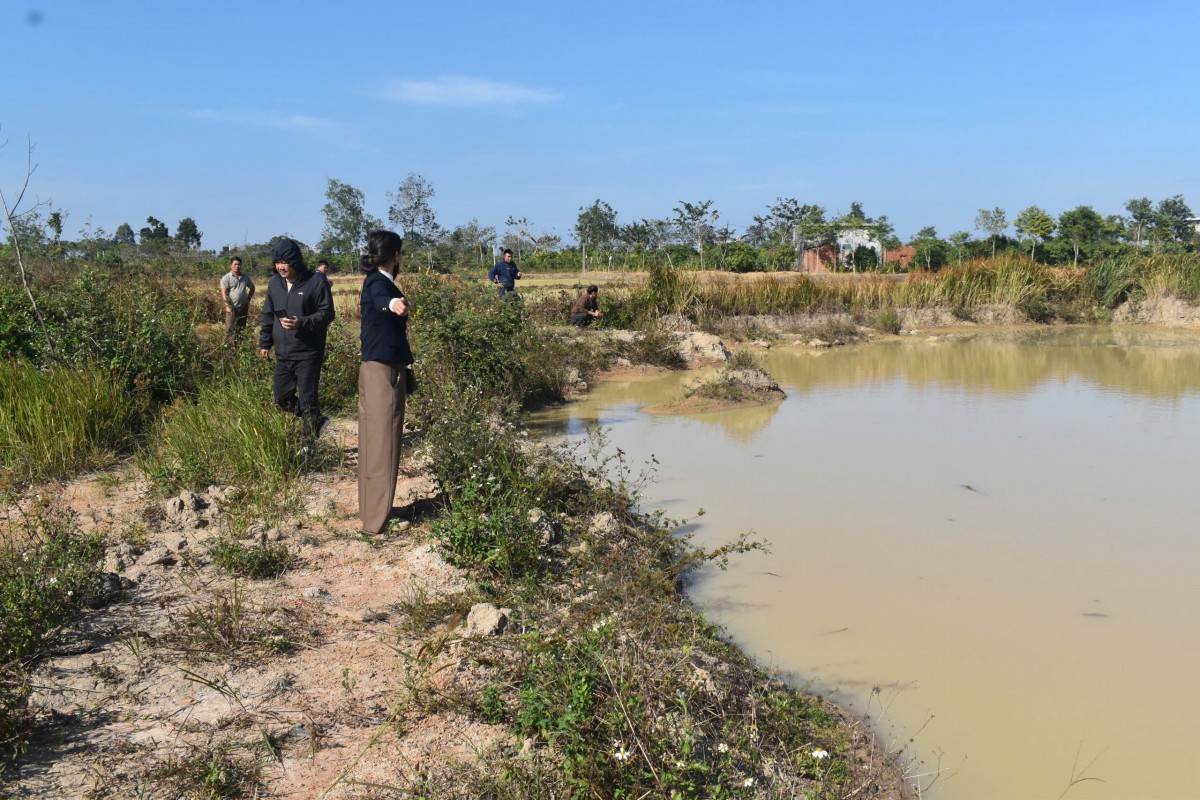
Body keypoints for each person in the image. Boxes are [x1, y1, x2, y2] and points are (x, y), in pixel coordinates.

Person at [357, 230, 414, 535]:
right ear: (395, 256)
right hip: (383, 373)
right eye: (401, 254)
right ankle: (378, 520)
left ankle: (371, 512)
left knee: (371, 443)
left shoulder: (375, 282)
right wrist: (393, 305)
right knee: (383, 443)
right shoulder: (380, 284)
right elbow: (383, 301)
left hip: (374, 369)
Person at [258, 237, 335, 445]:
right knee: (281, 398)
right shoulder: (274, 283)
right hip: (283, 353)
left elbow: (327, 313)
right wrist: (265, 343)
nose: (281, 266)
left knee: (308, 398)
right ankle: (316, 420)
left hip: (308, 352)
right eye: (277, 262)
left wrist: (302, 322)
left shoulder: (315, 282)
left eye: (285, 262)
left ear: (295, 261)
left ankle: (308, 444)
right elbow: (268, 314)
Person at [219, 256, 255, 344]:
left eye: (239, 264)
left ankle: (239, 349)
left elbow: (252, 288)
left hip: (243, 308)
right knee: (229, 330)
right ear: (231, 265)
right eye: (235, 264)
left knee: (241, 330)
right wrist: (227, 306)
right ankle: (224, 350)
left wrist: (248, 300)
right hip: (232, 309)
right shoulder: (226, 278)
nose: (237, 266)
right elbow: (223, 292)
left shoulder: (245, 277)